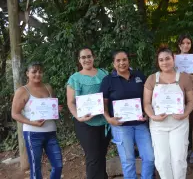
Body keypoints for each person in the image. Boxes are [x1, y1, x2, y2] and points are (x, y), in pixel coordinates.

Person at [100, 50, 154, 178]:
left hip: (140, 124)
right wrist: (108, 119)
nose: (122, 63)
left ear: (128, 60)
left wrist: (147, 114)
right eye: (118, 60)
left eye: (124, 59)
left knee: (150, 158)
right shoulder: (108, 80)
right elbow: (103, 103)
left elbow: (149, 98)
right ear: (113, 63)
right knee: (128, 161)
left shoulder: (139, 76)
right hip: (121, 126)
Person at [143, 45, 193, 179]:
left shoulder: (184, 78)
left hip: (179, 123)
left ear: (173, 59)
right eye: (161, 60)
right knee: (162, 160)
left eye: (167, 58)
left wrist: (185, 114)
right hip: (158, 125)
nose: (165, 62)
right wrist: (153, 116)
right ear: (158, 62)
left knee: (178, 159)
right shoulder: (151, 79)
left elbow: (190, 102)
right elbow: (146, 103)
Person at [11, 62, 63, 179]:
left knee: (58, 165)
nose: (37, 74)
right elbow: (15, 114)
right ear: (27, 74)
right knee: (36, 168)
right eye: (34, 72)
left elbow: (51, 107)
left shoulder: (48, 87)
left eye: (40, 71)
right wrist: (32, 122)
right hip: (32, 133)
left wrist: (56, 109)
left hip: (51, 132)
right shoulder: (22, 91)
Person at [66, 48, 110, 179]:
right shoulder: (75, 78)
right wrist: (78, 117)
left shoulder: (104, 74)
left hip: (104, 121)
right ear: (79, 60)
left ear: (94, 57)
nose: (87, 59)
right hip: (86, 124)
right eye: (83, 57)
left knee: (101, 155)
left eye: (89, 56)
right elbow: (70, 102)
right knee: (93, 158)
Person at [176, 34, 193, 163]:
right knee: (181, 122)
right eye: (183, 43)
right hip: (178, 94)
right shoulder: (173, 59)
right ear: (179, 44)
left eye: (188, 43)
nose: (186, 45)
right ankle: (183, 150)